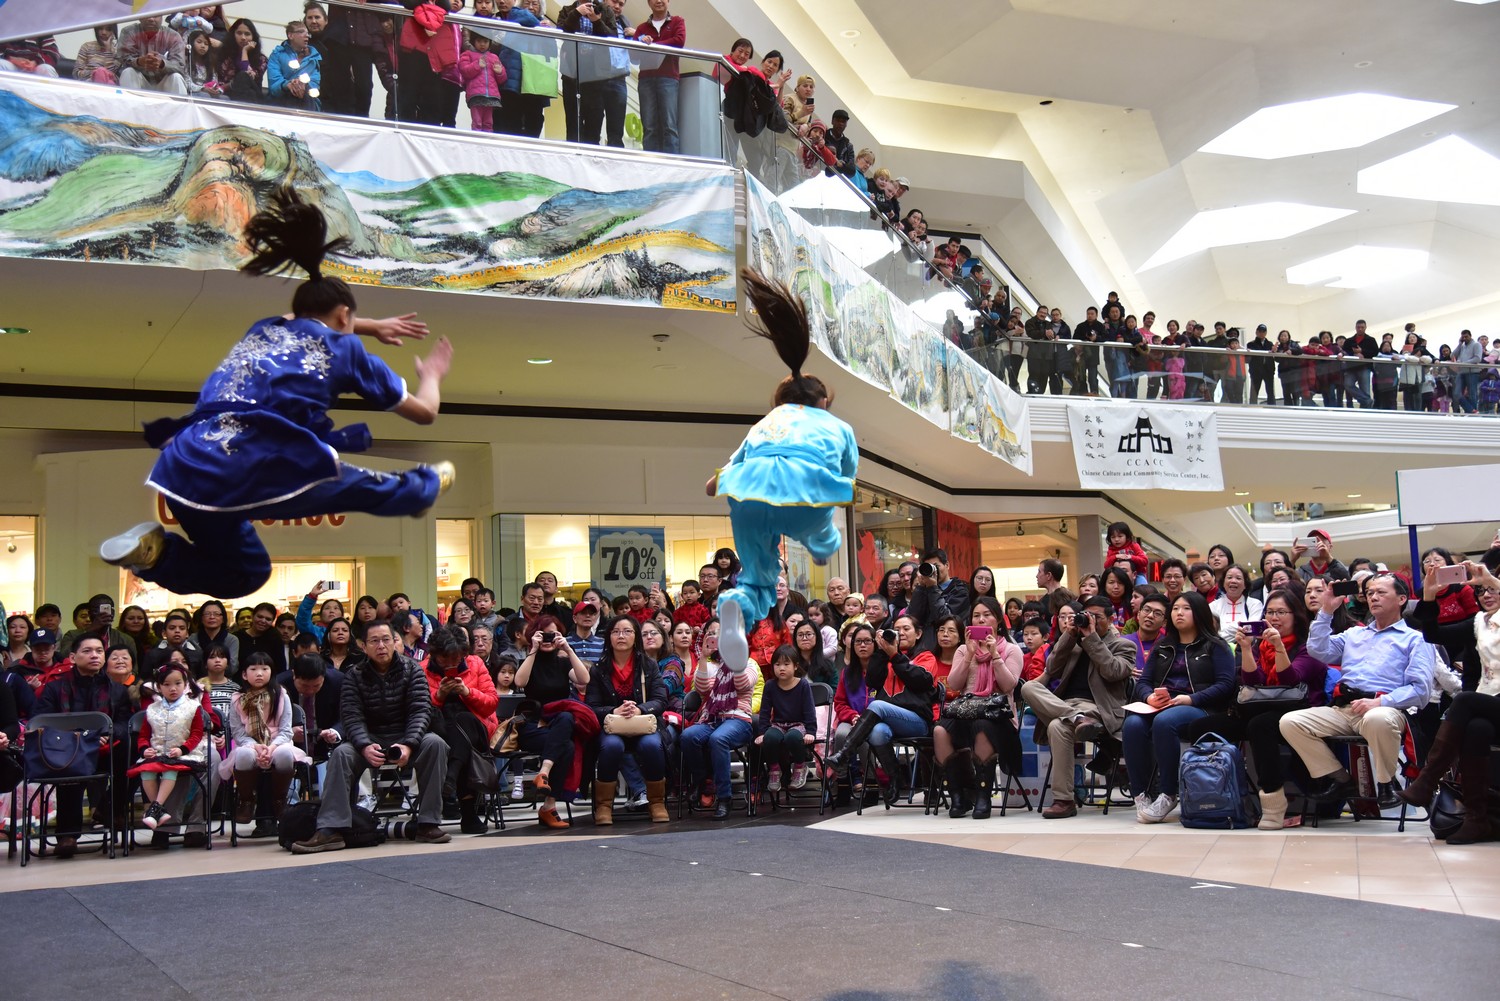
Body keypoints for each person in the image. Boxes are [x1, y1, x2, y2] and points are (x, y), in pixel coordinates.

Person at [99, 188, 455, 599]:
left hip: (185, 464)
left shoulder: (265, 327)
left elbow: (297, 316)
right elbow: (425, 412)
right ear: (344, 316)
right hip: (254, 457)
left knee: (247, 572)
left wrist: (369, 324)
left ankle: (154, 556)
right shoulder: (347, 349)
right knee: (357, 485)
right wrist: (432, 375)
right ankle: (424, 487)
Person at [707, 269, 859, 675]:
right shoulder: (837, 426)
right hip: (802, 495)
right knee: (824, 527)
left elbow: (713, 482)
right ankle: (822, 546)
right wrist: (822, 530)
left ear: (781, 401)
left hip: (749, 495)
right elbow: (847, 480)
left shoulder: (765, 423)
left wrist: (724, 486)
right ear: (823, 402)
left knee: (757, 575)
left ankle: (735, 603)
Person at [290, 620, 450, 853]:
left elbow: (420, 711)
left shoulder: (413, 669)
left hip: (406, 736)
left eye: (386, 640)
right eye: (374, 641)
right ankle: (331, 830)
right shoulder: (353, 675)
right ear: (363, 646)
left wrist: (408, 744)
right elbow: (351, 716)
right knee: (341, 754)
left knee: (436, 744)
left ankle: (428, 823)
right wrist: (364, 745)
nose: (381, 646)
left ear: (395, 642)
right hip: (368, 738)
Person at [1280, 574, 1431, 810]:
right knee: (1290, 722)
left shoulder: (1416, 639)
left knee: (1377, 718)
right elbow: (1317, 650)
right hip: (1345, 708)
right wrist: (1326, 611)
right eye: (1370, 593)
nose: (1373, 597)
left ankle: (1386, 784)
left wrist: (1381, 702)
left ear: (1402, 599)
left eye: (1381, 592)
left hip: (1386, 708)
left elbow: (1420, 690)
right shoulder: (1354, 634)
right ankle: (1341, 780)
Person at [1125, 591, 1236, 823]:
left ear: (1199, 613)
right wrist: (1148, 697)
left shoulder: (1215, 645)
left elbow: (1226, 685)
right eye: (1175, 609)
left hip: (1200, 707)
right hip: (1162, 705)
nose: (1179, 613)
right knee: (1132, 724)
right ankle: (1141, 794)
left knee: (1165, 721)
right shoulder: (1163, 646)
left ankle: (1168, 793)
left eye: (1186, 608)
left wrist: (1192, 699)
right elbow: (1143, 682)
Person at [1021, 596, 1136, 819]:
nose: (1091, 620)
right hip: (1066, 706)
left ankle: (1063, 801)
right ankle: (1076, 717)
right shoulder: (1073, 643)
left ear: (1111, 619)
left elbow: (1112, 671)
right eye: (1087, 616)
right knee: (1028, 688)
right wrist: (1069, 635)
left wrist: (1091, 638)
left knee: (1056, 726)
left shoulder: (1124, 645)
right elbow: (1052, 668)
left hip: (1098, 709)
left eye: (1097, 617)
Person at [35, 636, 133, 857]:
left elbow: (123, 723)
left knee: (132, 748)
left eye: (99, 651)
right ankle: (67, 835)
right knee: (71, 762)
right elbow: (43, 722)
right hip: (67, 750)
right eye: (87, 651)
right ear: (72, 657)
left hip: (104, 750)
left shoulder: (117, 690)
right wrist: (83, 738)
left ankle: (108, 808)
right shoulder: (54, 688)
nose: (94, 655)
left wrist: (107, 733)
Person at [824, 620, 939, 806]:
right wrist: (880, 652)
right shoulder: (885, 657)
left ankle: (844, 755)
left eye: (906, 629)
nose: (901, 633)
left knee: (877, 705)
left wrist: (895, 656)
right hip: (890, 720)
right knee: (877, 732)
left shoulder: (925, 656)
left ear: (918, 634)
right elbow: (872, 681)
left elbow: (921, 680)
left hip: (917, 721)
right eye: (897, 629)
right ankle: (894, 778)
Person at [935, 598, 1024, 819]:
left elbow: (1008, 685)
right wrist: (969, 654)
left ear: (998, 619)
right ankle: (959, 796)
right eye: (976, 616)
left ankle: (983, 796)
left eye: (987, 615)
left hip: (999, 717)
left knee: (982, 728)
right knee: (940, 731)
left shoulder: (1011, 649)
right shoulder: (963, 650)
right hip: (967, 711)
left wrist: (995, 655)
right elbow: (954, 684)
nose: (981, 619)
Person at [586, 616, 670, 823]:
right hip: (612, 727)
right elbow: (591, 707)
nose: (621, 636)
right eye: (615, 631)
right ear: (609, 637)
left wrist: (639, 709)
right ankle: (604, 806)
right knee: (611, 747)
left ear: (636, 637)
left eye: (627, 631)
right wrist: (615, 710)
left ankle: (656, 802)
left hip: (643, 725)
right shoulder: (598, 669)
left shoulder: (649, 665)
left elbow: (660, 700)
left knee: (652, 745)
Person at [514, 614, 593, 828]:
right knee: (566, 744)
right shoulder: (529, 661)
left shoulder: (563, 662)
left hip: (558, 726)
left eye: (553, 634)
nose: (548, 639)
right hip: (532, 727)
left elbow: (584, 679)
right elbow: (519, 681)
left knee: (566, 721)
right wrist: (533, 649)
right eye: (544, 634)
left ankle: (544, 774)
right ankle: (549, 807)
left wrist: (568, 649)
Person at [423, 625, 499, 834]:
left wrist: (467, 692)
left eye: (456, 659)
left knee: (463, 721)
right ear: (434, 655)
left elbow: (492, 703)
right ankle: (468, 814)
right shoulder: (421, 669)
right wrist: (439, 696)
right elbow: (419, 710)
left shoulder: (475, 663)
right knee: (459, 742)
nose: (450, 664)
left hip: (477, 727)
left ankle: (451, 777)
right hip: (440, 730)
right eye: (444, 659)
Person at [681, 617, 757, 819]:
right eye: (714, 635)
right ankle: (703, 781)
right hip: (713, 719)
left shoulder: (748, 663)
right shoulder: (712, 666)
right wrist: (704, 658)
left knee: (718, 739)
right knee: (688, 736)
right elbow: (702, 689)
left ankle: (725, 798)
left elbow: (742, 684)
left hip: (738, 720)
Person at [222, 652, 306, 829]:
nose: (259, 673)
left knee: (284, 754)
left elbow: (286, 731)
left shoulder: (281, 695)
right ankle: (246, 800)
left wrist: (271, 747)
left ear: (271, 672)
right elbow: (238, 732)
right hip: (249, 743)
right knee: (243, 755)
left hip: (278, 742)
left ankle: (279, 799)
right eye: (253, 669)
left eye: (264, 669)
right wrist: (256, 746)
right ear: (244, 674)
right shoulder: (237, 699)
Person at [126, 663, 208, 833]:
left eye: (178, 683)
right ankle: (159, 810)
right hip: (157, 753)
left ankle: (154, 809)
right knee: (146, 770)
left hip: (184, 754)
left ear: (185, 684)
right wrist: (144, 749)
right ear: (159, 687)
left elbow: (196, 734)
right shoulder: (152, 709)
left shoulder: (193, 707)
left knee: (170, 768)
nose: (173, 688)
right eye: (167, 684)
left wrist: (182, 749)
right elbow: (143, 735)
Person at [756, 644, 818, 794]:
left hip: (798, 725)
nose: (781, 668)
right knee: (770, 737)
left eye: (786, 664)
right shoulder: (770, 685)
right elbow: (764, 712)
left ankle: (800, 766)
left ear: (795, 666)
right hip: (778, 724)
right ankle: (774, 770)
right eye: (777, 664)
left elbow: (809, 711)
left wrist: (811, 731)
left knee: (792, 737)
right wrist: (762, 732)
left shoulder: (803, 684)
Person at [632, 0, 686, 154]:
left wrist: (653, 44)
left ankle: (671, 162)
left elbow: (679, 41)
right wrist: (642, 43)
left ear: (668, 1)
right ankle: (651, 162)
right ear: (649, 3)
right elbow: (633, 55)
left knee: (669, 125)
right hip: (646, 79)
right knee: (649, 125)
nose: (659, 1)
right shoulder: (642, 28)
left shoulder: (677, 21)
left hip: (669, 78)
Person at [117, 16, 189, 94]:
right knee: (128, 72)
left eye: (155, 16)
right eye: (147, 15)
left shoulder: (173, 35)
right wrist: (139, 62)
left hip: (164, 83)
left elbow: (180, 66)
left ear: (162, 16)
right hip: (140, 81)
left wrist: (162, 64)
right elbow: (123, 58)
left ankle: (178, 103)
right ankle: (129, 102)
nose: (151, 19)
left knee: (176, 77)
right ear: (140, 16)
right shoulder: (129, 32)